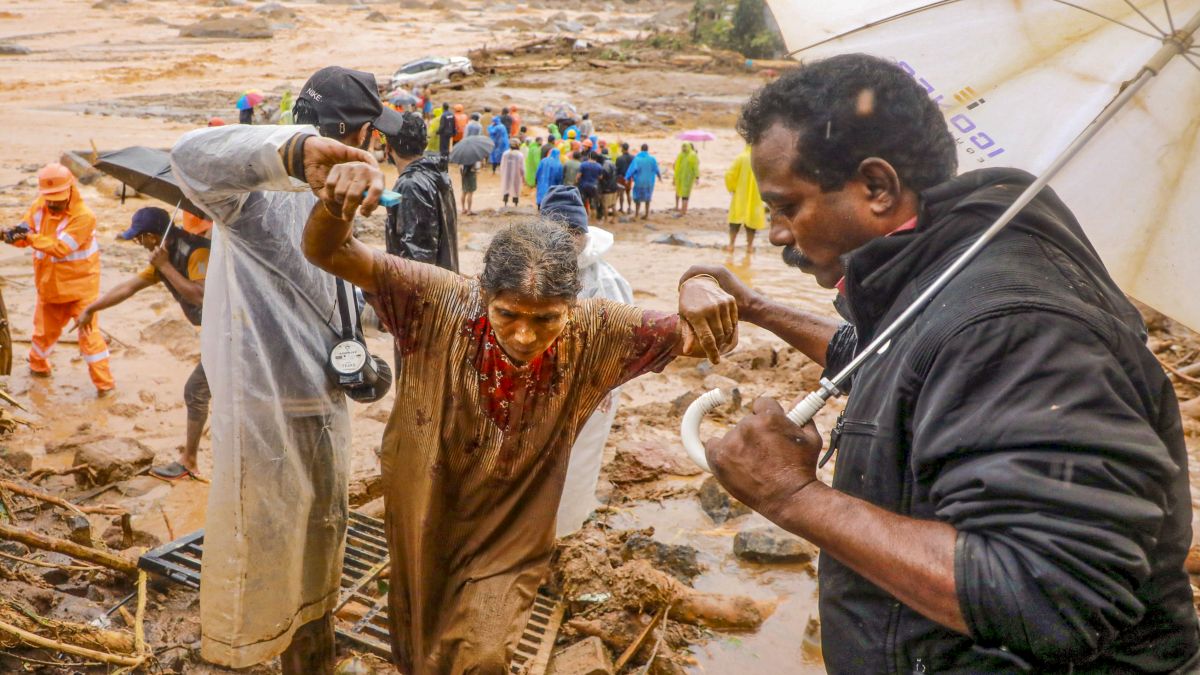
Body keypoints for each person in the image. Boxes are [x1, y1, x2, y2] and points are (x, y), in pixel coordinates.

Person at [684, 53, 1200, 673]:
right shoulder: (949, 282)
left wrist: (794, 497)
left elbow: (1043, 593)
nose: (775, 234)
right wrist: (759, 309)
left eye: (787, 206)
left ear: (876, 188)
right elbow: (893, 361)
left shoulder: (1016, 326)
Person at [299, 159, 738, 672]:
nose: (525, 336)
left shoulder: (598, 331)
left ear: (571, 307)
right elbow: (328, 250)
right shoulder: (435, 299)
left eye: (545, 319)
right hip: (425, 499)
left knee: (485, 654)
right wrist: (334, 206)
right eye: (507, 314)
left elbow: (706, 337)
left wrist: (701, 279)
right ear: (484, 294)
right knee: (418, 630)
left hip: (515, 524)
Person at [170, 65, 401, 673]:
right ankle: (242, 658)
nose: (376, 146)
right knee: (257, 554)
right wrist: (296, 154)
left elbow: (329, 288)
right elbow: (190, 155)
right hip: (263, 405)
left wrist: (364, 341)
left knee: (320, 539)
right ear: (356, 132)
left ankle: (310, 656)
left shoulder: (340, 200)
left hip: (322, 400)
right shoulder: (253, 195)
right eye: (373, 133)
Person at [74, 207, 210, 478]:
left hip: (239, 331)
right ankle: (193, 460)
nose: (139, 244)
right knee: (203, 392)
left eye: (140, 238)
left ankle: (191, 462)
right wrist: (92, 308)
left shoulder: (196, 252)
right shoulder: (164, 258)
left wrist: (165, 267)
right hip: (218, 332)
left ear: (153, 236)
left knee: (196, 391)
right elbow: (128, 287)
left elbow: (200, 296)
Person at [537, 186, 632, 535]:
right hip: (540, 387)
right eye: (556, 232)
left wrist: (602, 383)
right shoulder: (532, 269)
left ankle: (563, 534)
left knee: (575, 466)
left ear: (583, 234)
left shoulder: (605, 281)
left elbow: (622, 342)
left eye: (573, 233)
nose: (566, 240)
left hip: (590, 390)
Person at [1, 164, 113, 394]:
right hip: (49, 288)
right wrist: (10, 235)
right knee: (41, 335)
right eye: (49, 198)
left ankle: (105, 386)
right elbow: (25, 234)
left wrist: (29, 237)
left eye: (57, 199)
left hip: (81, 292)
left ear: (70, 190)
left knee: (90, 341)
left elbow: (61, 248)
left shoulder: (84, 217)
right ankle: (38, 369)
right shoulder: (39, 207)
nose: (52, 204)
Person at [384, 112, 458, 272]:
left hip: (427, 293)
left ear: (388, 147)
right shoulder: (434, 174)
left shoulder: (412, 184)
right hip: (444, 287)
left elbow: (417, 262)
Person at [724, 144, 765, 253]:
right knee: (751, 224)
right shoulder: (760, 160)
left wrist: (732, 188)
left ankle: (731, 245)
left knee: (734, 222)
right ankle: (750, 247)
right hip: (755, 197)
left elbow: (729, 175)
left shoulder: (741, 158)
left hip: (740, 196)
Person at [624, 144, 660, 220]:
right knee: (648, 198)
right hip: (649, 182)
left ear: (641, 149)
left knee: (637, 198)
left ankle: (636, 214)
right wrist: (660, 177)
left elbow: (631, 169)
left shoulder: (637, 159)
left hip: (639, 182)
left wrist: (627, 178)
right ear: (647, 149)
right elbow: (656, 169)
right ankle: (647, 214)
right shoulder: (652, 159)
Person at [673, 142, 699, 216]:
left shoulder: (692, 155)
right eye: (683, 147)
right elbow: (676, 166)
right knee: (682, 194)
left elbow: (695, 167)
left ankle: (683, 211)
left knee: (685, 195)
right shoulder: (681, 155)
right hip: (681, 178)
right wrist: (674, 178)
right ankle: (682, 209)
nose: (684, 149)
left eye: (685, 147)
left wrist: (697, 177)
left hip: (688, 178)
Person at [499, 138, 525, 208]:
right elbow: (522, 167)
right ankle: (515, 204)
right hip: (516, 175)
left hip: (506, 174)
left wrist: (502, 173)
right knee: (516, 188)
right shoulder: (520, 155)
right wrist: (523, 176)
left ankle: (505, 203)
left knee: (506, 187)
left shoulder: (505, 154)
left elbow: (502, 165)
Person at [576, 152, 603, 216]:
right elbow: (601, 177)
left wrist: (576, 181)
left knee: (583, 202)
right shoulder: (599, 166)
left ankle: (585, 217)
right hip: (594, 186)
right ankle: (593, 218)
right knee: (593, 203)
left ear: (589, 156)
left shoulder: (583, 164)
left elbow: (578, 176)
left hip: (584, 186)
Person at [597, 151, 620, 222]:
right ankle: (614, 219)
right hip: (615, 187)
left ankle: (606, 220)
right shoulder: (612, 163)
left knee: (605, 205)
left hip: (607, 189)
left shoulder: (604, 166)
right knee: (613, 205)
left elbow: (601, 177)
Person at [614, 142, 634, 213]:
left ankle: (621, 208)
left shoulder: (619, 158)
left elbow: (616, 169)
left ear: (622, 149)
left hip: (621, 178)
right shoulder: (632, 157)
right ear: (628, 149)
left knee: (621, 193)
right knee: (628, 193)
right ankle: (629, 208)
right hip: (629, 178)